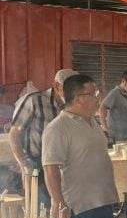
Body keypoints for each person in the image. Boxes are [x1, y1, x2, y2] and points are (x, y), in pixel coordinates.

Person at [42, 74, 119, 218]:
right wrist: (59, 202)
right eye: (94, 93)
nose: (98, 97)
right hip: (78, 208)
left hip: (102, 201)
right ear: (78, 97)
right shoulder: (58, 128)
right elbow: (50, 168)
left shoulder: (92, 122)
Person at [8, 68, 79, 206]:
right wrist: (24, 164)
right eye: (69, 89)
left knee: (63, 207)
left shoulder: (72, 106)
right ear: (57, 86)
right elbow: (14, 134)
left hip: (63, 165)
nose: (73, 94)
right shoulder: (34, 101)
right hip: (37, 164)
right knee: (41, 208)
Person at [100, 70, 127, 142]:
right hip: (119, 136)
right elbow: (102, 107)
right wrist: (105, 128)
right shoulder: (115, 93)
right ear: (123, 81)